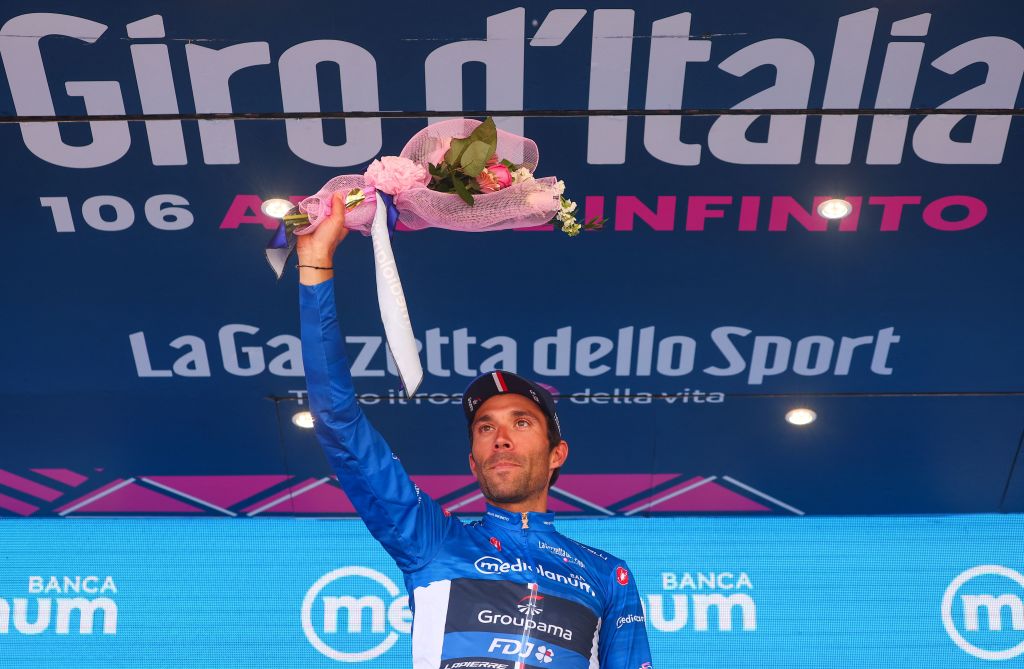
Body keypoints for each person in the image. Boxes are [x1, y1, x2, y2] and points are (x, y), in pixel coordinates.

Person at [297, 192, 653, 669]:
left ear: (557, 454)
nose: (500, 438)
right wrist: (316, 265)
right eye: (485, 428)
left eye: (521, 423)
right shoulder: (432, 541)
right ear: (472, 460)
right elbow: (340, 424)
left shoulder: (608, 575)